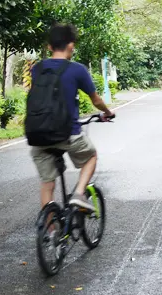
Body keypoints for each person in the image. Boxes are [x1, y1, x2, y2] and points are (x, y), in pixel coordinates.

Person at [28, 23, 114, 211]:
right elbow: (96, 100)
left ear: (49, 47)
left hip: (38, 135)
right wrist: (107, 113)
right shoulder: (77, 70)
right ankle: (79, 194)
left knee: (47, 184)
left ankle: (50, 236)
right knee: (91, 156)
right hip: (68, 134)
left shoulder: (37, 69)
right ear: (71, 45)